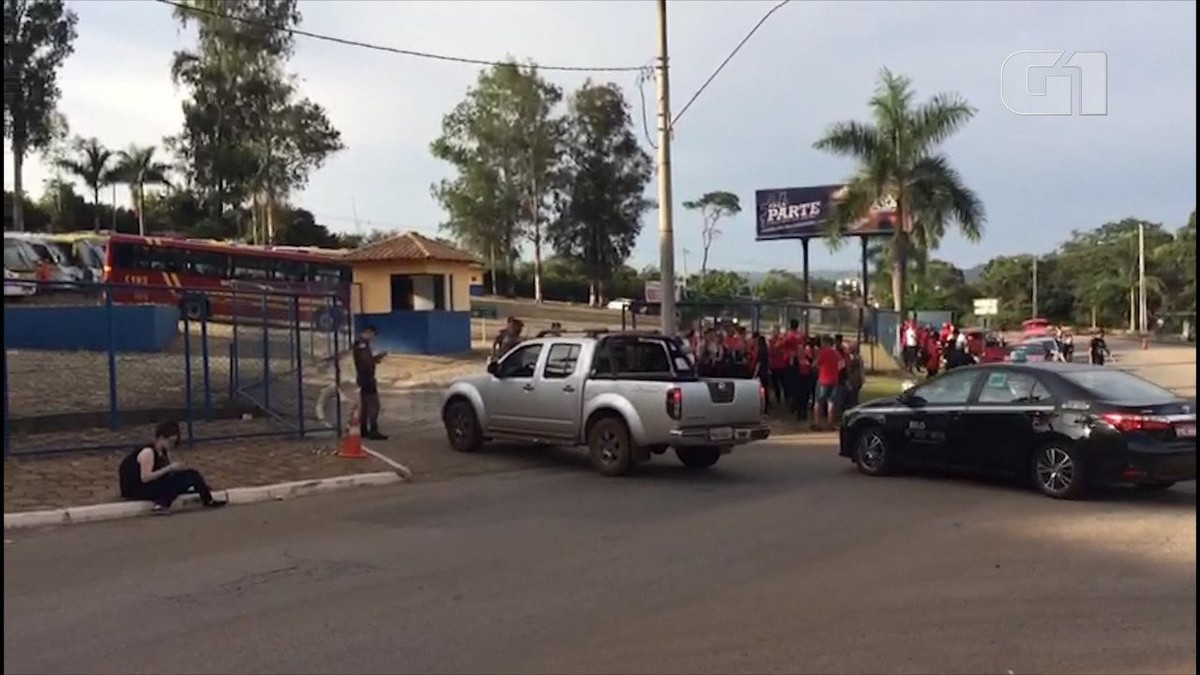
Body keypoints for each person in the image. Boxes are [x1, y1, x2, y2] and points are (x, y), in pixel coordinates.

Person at [118, 421, 225, 512]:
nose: (171, 445)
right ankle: (162, 504)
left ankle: (207, 498)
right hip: (136, 489)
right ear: (161, 438)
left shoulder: (163, 452)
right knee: (175, 481)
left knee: (191, 475)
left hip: (151, 485)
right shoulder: (148, 452)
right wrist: (169, 468)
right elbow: (145, 478)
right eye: (170, 441)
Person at [353, 325, 388, 440]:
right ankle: (373, 430)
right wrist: (376, 358)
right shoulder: (362, 344)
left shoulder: (361, 343)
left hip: (364, 378)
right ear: (368, 332)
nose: (373, 338)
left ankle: (364, 429)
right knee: (374, 405)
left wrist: (376, 358)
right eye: (372, 335)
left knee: (366, 405)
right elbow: (365, 362)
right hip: (366, 378)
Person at [812, 335, 845, 430]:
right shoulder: (836, 353)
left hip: (823, 380)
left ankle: (817, 423)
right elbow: (842, 365)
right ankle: (830, 424)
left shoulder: (822, 353)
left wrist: (819, 368)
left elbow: (814, 364)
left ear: (825, 343)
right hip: (834, 380)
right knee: (831, 402)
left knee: (818, 401)